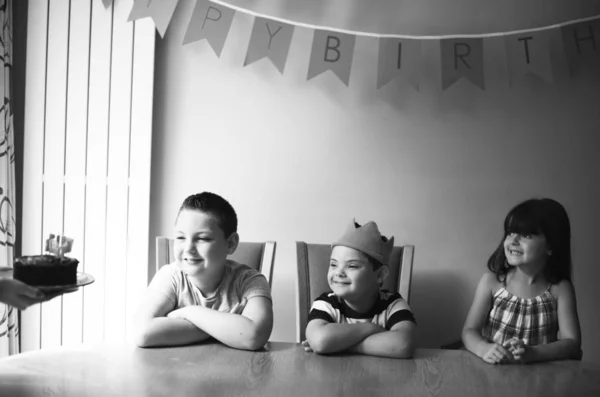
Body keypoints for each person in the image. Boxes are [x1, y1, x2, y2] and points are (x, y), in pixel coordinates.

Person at [134, 192, 273, 350]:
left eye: (203, 239)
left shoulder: (250, 281)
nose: (188, 248)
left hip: (237, 370)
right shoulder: (171, 276)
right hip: (178, 370)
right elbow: (142, 333)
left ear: (231, 243)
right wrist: (227, 330)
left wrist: (190, 312)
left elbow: (254, 336)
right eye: (181, 238)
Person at [462, 198, 582, 364]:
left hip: (539, 382)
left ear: (551, 246)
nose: (513, 240)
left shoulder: (560, 289)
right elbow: (469, 331)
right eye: (510, 233)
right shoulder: (492, 282)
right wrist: (483, 349)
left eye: (526, 235)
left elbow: (573, 344)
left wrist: (533, 353)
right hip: (491, 377)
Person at [303, 219, 416, 358]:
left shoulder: (393, 304)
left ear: (380, 274)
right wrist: (372, 329)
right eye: (333, 264)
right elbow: (320, 341)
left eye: (352, 266)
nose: (338, 273)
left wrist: (338, 345)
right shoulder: (326, 303)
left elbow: (404, 345)